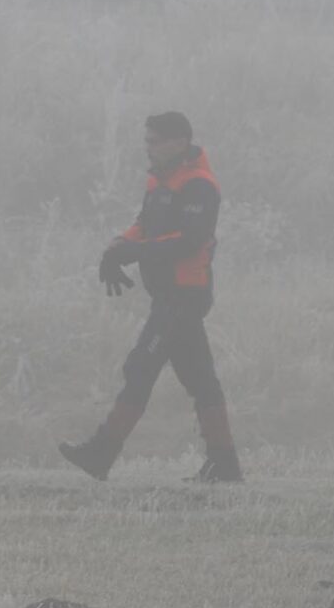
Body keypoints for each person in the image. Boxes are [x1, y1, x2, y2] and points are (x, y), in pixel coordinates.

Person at [59, 112, 241, 483]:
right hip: (167, 295)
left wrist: (135, 253)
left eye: (153, 141)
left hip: (184, 294)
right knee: (200, 379)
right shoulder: (159, 181)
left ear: (179, 142)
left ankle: (101, 452)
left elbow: (191, 240)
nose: (148, 147)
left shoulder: (199, 185)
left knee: (141, 367)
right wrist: (118, 246)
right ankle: (224, 464)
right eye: (147, 140)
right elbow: (144, 223)